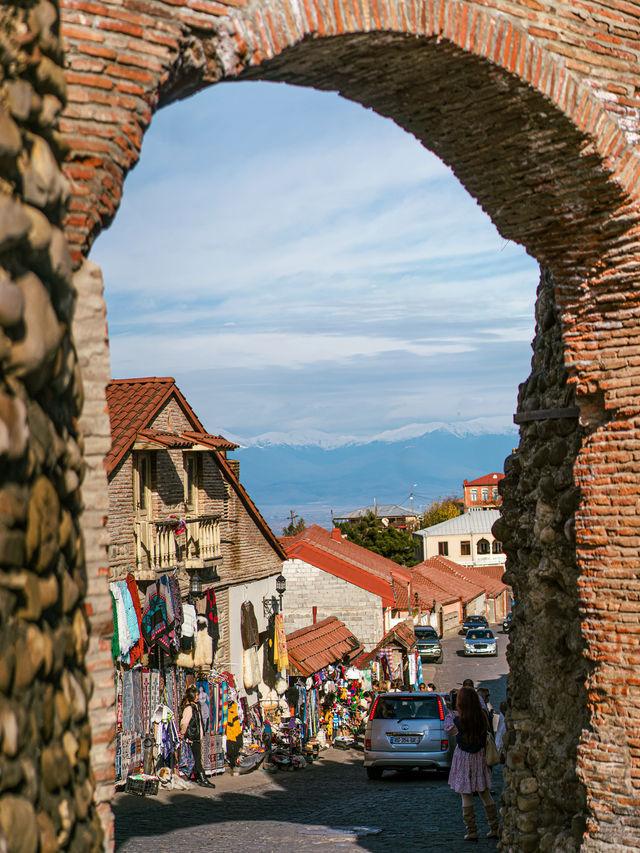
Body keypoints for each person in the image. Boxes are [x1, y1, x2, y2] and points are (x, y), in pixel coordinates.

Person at [444, 686, 499, 841]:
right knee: (485, 793)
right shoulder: (482, 716)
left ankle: (472, 830)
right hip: (481, 756)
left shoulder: (457, 719)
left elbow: (449, 729)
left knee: (466, 795)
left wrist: (452, 710)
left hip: (464, 757)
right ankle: (495, 827)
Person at [179, 686, 215, 788]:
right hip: (193, 737)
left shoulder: (195, 706)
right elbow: (184, 722)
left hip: (197, 736)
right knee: (197, 759)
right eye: (196, 695)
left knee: (197, 758)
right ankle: (203, 779)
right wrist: (183, 733)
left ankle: (199, 778)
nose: (198, 697)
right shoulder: (189, 708)